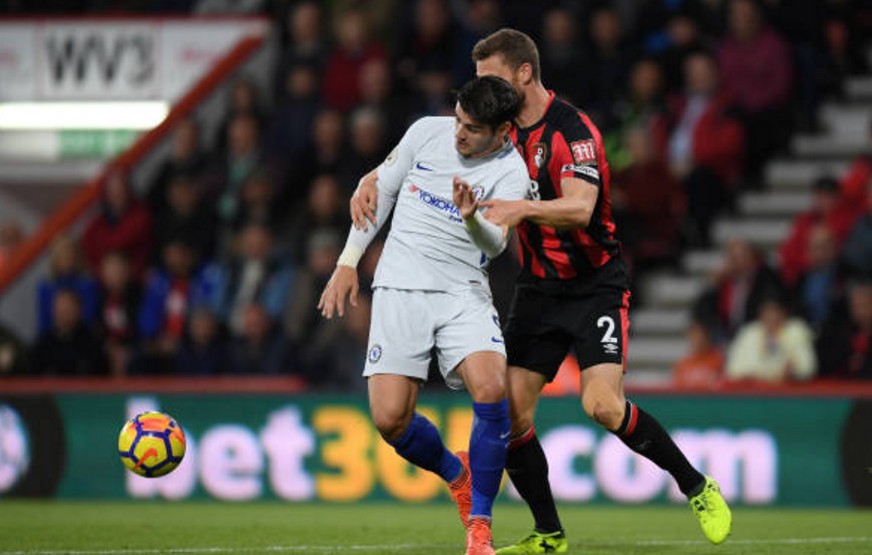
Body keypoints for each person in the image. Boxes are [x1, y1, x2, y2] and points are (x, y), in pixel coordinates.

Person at [352, 28, 731, 554]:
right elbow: (421, 153)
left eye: (490, 78)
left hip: (594, 285)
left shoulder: (572, 131)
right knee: (509, 410)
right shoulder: (493, 132)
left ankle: (696, 485)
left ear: (522, 73)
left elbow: (580, 208)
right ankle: (549, 534)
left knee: (602, 405)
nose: (480, 88)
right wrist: (372, 177)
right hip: (538, 288)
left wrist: (522, 208)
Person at [320, 75, 529, 555]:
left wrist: (472, 216)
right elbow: (379, 194)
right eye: (458, 120)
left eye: (472, 128)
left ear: (501, 132)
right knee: (391, 420)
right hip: (399, 288)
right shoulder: (425, 132)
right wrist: (347, 263)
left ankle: (480, 525)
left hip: (462, 292)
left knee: (493, 386)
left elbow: (496, 244)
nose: (459, 133)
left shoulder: (511, 173)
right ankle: (457, 474)